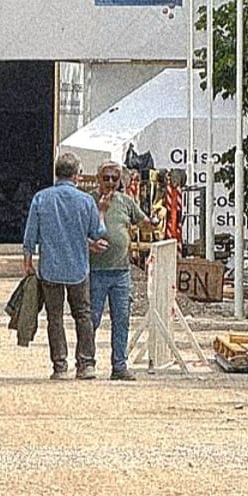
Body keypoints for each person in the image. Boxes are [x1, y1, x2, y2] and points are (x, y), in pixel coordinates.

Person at [22, 152, 108, 380]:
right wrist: (101, 212)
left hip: (50, 268)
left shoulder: (41, 198)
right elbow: (97, 232)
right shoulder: (86, 201)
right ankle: (86, 364)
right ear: (77, 175)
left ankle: (60, 366)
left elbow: (31, 234)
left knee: (55, 317)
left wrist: (28, 262)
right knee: (83, 315)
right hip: (78, 268)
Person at [89, 161, 151, 382]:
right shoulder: (89, 201)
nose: (110, 183)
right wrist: (90, 242)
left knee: (122, 319)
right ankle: (86, 363)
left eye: (115, 178)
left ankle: (119, 365)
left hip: (121, 271)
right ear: (98, 179)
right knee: (91, 319)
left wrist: (152, 224)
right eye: (106, 178)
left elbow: (143, 221)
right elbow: (79, 230)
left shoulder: (126, 202)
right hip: (96, 271)